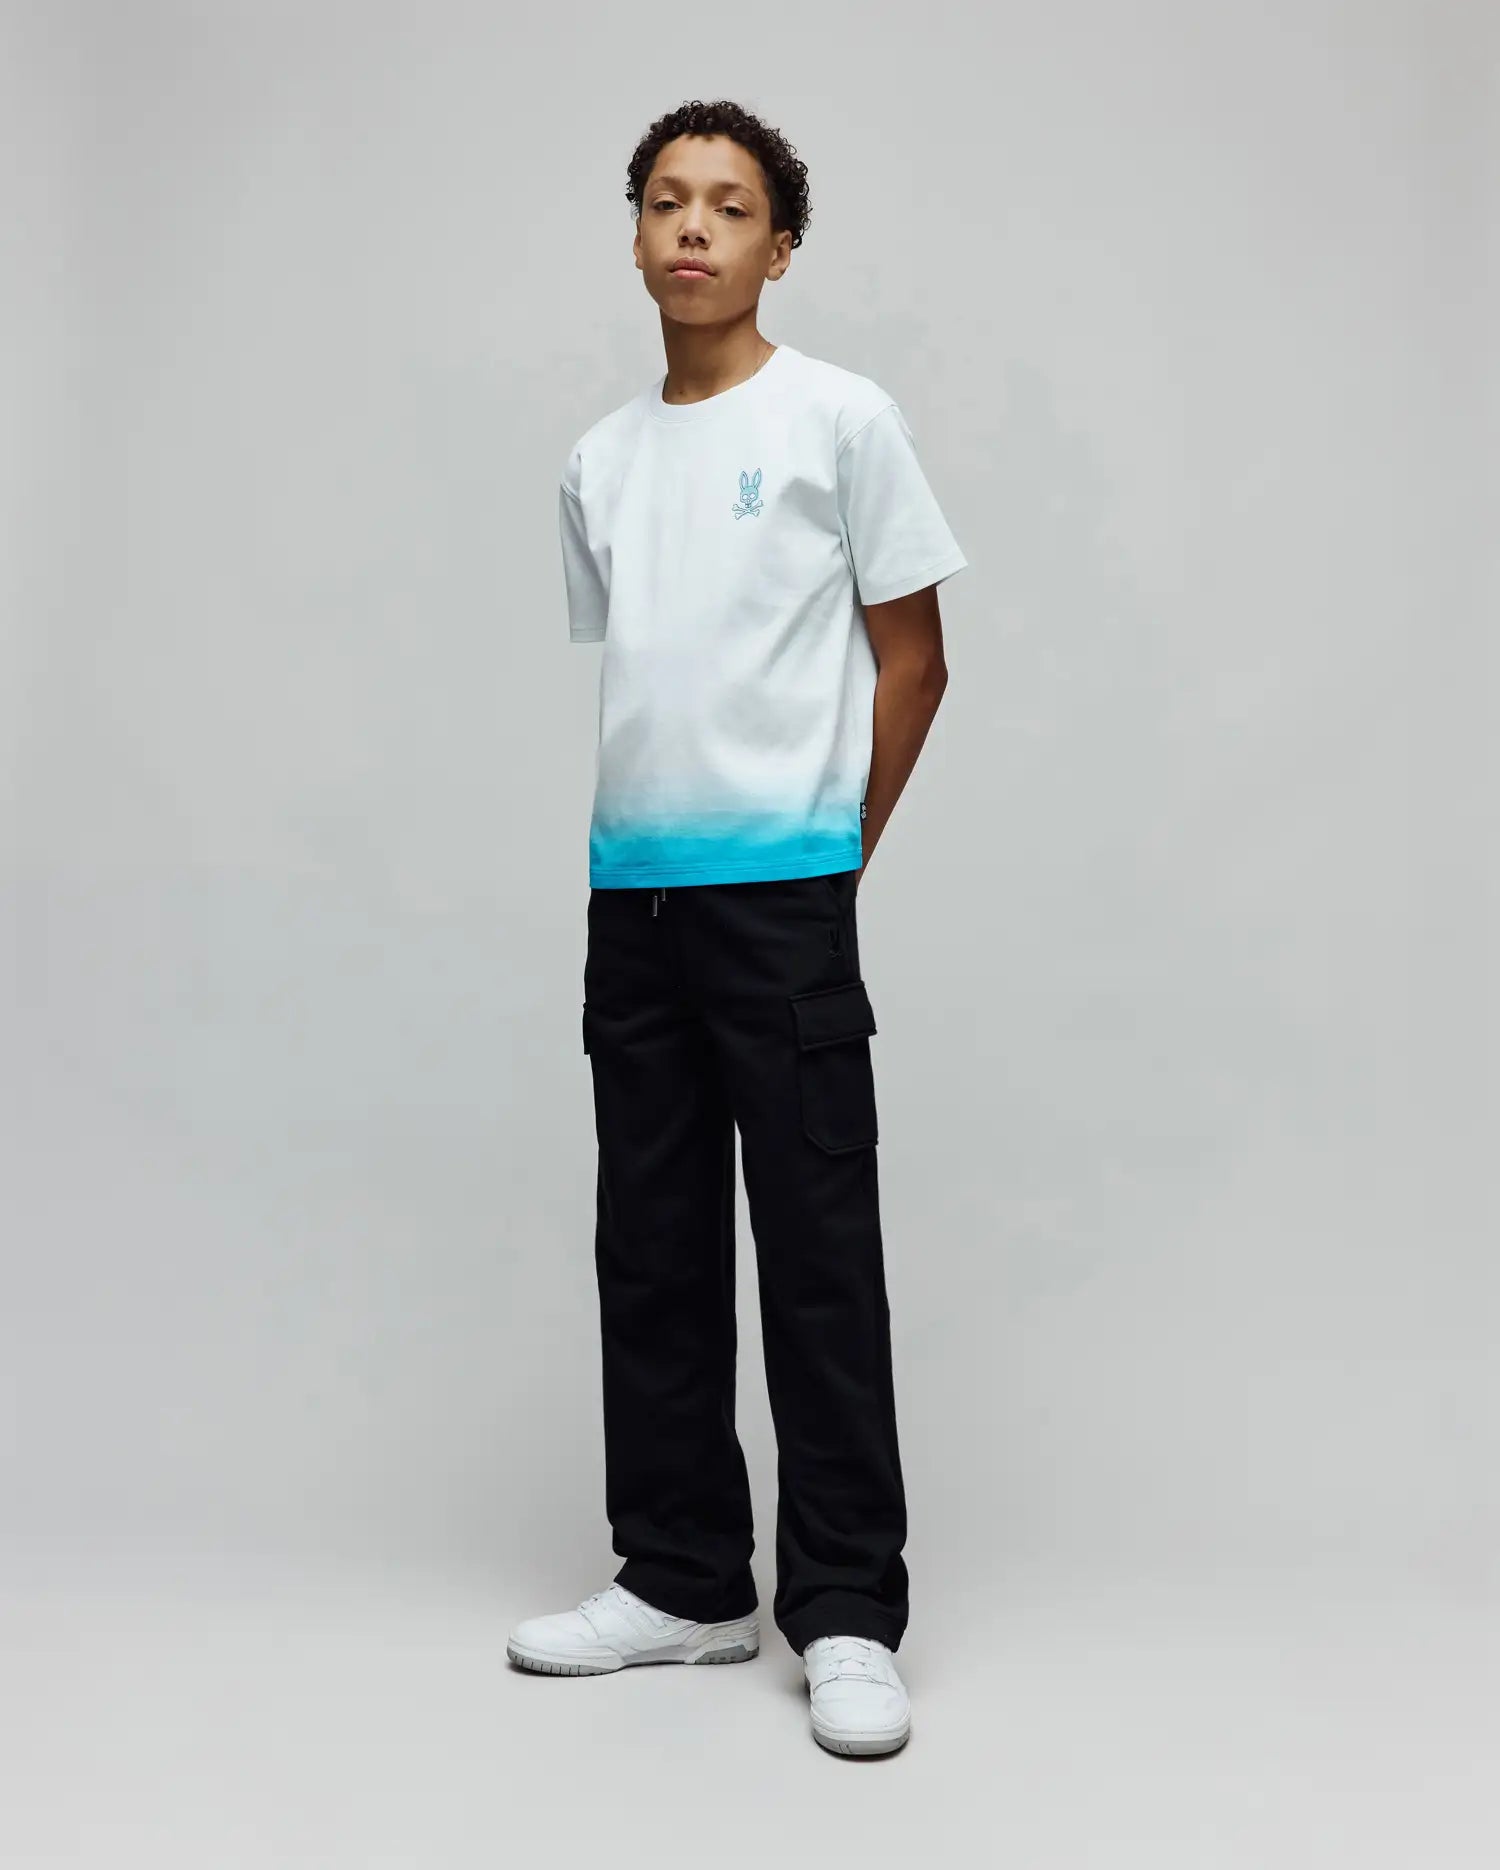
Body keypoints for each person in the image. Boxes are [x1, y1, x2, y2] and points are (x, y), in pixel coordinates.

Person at [507, 98, 967, 1759]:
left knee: (819, 1254)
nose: (693, 225)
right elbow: (657, 675)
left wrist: (831, 861)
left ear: (781, 245)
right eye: (666, 199)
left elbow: (915, 660)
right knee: (653, 1240)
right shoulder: (599, 462)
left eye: (729, 203)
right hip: (631, 899)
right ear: (636, 234)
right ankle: (684, 1575)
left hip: (784, 901)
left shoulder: (842, 420)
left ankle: (845, 1610)